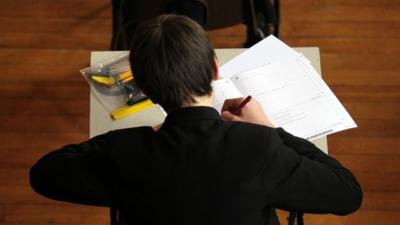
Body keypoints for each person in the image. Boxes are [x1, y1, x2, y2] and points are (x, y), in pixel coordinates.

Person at [30, 14, 362, 225]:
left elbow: (44, 174)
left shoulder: (125, 153)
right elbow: (348, 193)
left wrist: (143, 135)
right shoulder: (261, 148)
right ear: (216, 69)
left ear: (143, 88)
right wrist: (271, 130)